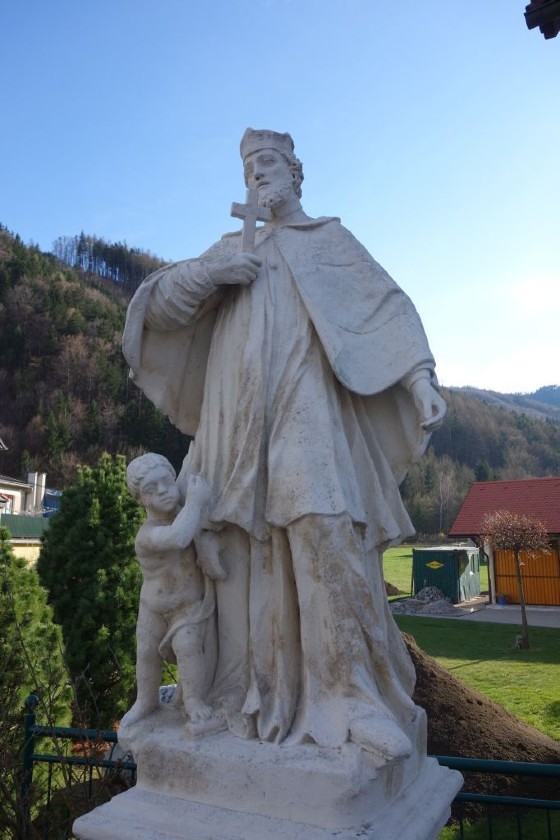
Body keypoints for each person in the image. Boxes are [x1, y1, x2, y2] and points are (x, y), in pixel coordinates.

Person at [123, 129, 446, 760]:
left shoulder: (328, 240)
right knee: (231, 549)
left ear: (297, 173)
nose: (256, 174)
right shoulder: (232, 246)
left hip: (306, 408)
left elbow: (386, 309)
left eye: (267, 162)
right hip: (233, 418)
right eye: (248, 167)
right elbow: (155, 304)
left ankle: (348, 696)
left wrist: (419, 378)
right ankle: (241, 689)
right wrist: (213, 274)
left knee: (325, 527)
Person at [122, 454, 216, 727]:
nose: (163, 491)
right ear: (141, 499)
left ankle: (193, 701)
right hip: (153, 608)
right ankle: (146, 701)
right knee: (146, 653)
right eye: (151, 490)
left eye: (166, 481)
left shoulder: (187, 515)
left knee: (188, 647)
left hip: (187, 607)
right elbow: (178, 537)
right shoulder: (147, 534)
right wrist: (196, 502)